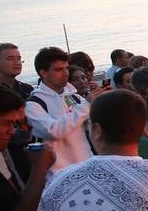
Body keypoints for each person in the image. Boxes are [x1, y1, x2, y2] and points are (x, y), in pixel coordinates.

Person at [26, 46, 103, 174]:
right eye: (58, 69)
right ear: (43, 73)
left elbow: (92, 127)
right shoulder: (34, 104)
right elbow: (54, 131)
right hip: (59, 174)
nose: (65, 73)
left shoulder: (74, 96)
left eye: (66, 68)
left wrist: (103, 102)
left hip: (87, 167)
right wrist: (86, 105)